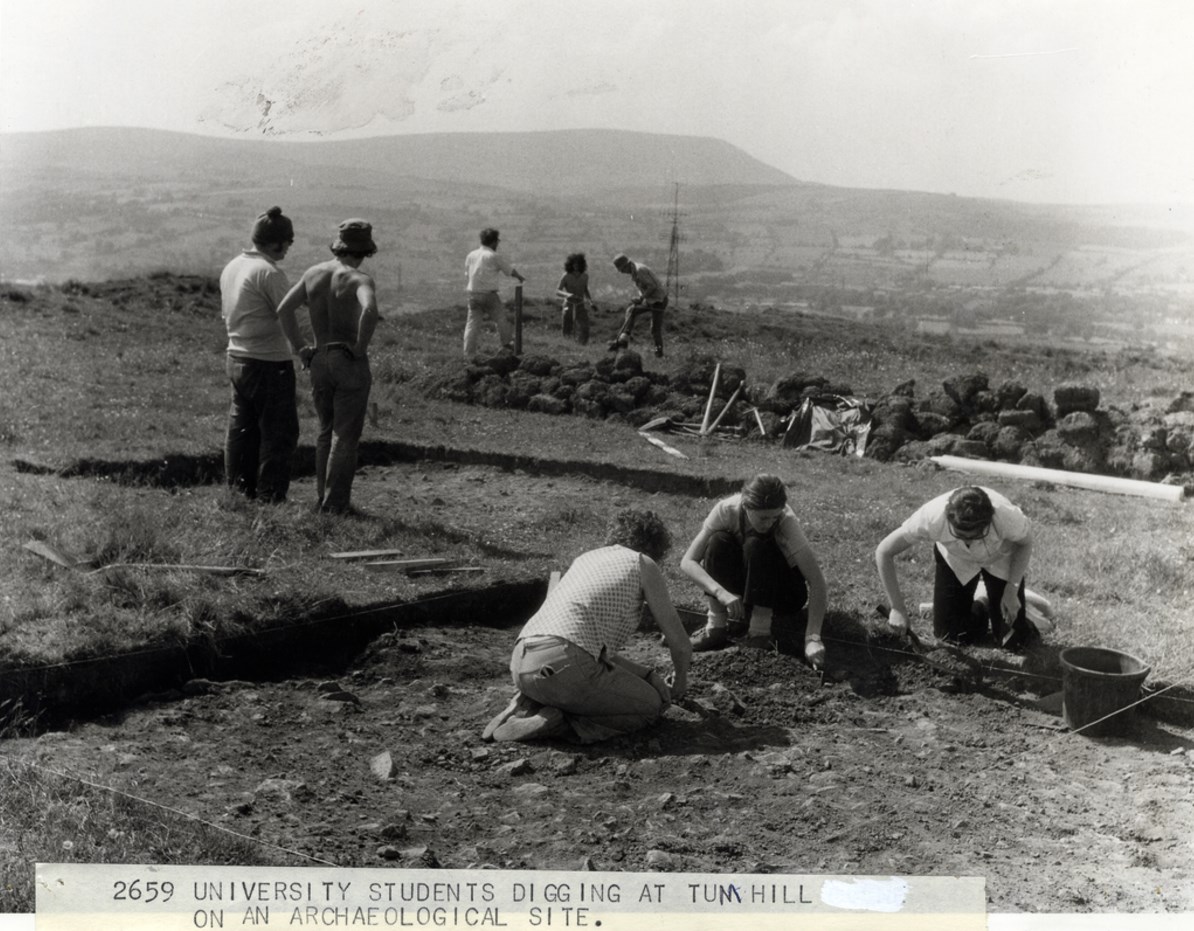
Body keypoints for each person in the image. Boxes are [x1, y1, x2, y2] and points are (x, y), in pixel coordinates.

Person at [483, 508, 693, 744]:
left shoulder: (585, 559)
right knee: (649, 706)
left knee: (573, 676)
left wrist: (647, 675)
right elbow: (681, 645)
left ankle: (525, 705)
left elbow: (588, 649)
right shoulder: (642, 563)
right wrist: (681, 682)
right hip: (564, 665)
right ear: (656, 547)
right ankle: (560, 723)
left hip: (522, 662)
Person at [276, 219, 380, 515]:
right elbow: (370, 310)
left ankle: (322, 497)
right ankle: (335, 505)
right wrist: (359, 347)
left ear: (339, 245)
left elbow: (284, 309)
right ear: (364, 250)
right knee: (345, 435)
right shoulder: (360, 280)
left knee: (325, 431)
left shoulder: (313, 274)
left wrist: (300, 347)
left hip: (318, 358)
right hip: (347, 360)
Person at [680, 473, 828, 668]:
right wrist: (720, 592)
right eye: (763, 518)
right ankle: (716, 627)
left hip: (783, 591)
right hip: (749, 587)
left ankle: (760, 633)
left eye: (774, 517)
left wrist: (813, 638)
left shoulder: (786, 520)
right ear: (746, 506)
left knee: (757, 543)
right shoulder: (726, 510)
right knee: (717, 541)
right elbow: (688, 561)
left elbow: (817, 582)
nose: (769, 523)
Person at [875, 485, 1037, 650]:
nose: (968, 542)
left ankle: (1011, 613)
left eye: (976, 536)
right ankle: (984, 603)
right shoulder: (932, 517)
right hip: (957, 558)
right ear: (948, 520)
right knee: (951, 636)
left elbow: (1026, 543)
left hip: (1000, 556)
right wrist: (897, 608)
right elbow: (884, 551)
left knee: (1012, 642)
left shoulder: (1005, 515)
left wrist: (1011, 589)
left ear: (989, 522)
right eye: (960, 535)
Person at [219, 206, 299, 503]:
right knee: (279, 433)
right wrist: (303, 348)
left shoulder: (233, 266)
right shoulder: (270, 272)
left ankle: (239, 492)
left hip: (237, 357)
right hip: (269, 361)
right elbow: (289, 315)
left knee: (241, 429)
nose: (289, 248)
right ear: (276, 242)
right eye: (288, 242)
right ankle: (271, 498)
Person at [463, 227, 525, 358]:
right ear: (494, 242)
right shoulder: (493, 256)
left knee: (472, 324)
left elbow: (467, 274)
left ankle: (468, 354)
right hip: (489, 294)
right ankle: (507, 345)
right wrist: (519, 277)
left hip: (473, 293)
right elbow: (509, 270)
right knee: (501, 319)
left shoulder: (471, 255)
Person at [608, 252, 668, 358]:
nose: (622, 272)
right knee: (631, 310)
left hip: (659, 300)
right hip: (650, 300)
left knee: (654, 330)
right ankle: (624, 340)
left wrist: (641, 298)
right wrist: (639, 299)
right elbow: (644, 288)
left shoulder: (639, 270)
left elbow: (652, 287)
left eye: (622, 270)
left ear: (626, 265)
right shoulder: (634, 271)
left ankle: (659, 354)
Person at [556, 252, 592, 344]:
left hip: (580, 304)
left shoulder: (585, 276)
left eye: (578, 263)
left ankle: (583, 345)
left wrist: (590, 301)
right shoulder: (566, 276)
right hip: (569, 304)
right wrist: (568, 295)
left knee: (584, 326)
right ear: (571, 264)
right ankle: (567, 344)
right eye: (574, 264)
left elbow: (585, 289)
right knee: (567, 326)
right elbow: (558, 291)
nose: (576, 266)